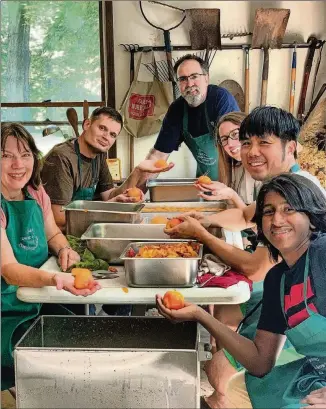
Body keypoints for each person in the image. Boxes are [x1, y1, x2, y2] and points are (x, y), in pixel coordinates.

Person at [165, 106, 325, 408]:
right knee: (228, 375)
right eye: (246, 141)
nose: (250, 151)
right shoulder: (277, 191)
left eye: (263, 142)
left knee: (222, 373)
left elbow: (254, 268)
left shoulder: (315, 236)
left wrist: (202, 234)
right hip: (308, 364)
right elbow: (242, 215)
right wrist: (206, 221)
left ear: (290, 147)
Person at [1, 123, 101, 392]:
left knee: (79, 336)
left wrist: (64, 249)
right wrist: (56, 278)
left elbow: (53, 234)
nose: (17, 164)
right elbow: (9, 270)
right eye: (6, 155)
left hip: (37, 300)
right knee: (45, 364)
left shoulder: (35, 193)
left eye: (24, 155)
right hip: (6, 311)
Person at [41, 106, 174, 232]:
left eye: (112, 135)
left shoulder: (98, 154)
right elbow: (59, 219)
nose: (106, 137)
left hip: (84, 227)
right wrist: (109, 205)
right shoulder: (61, 158)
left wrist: (138, 171)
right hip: (57, 236)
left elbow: (110, 196)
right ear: (87, 125)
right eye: (102, 128)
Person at [144, 55, 239, 181]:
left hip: (234, 180)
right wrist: (138, 189)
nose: (189, 84)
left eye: (194, 76)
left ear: (206, 78)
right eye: (183, 79)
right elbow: (158, 155)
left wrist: (232, 187)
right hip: (206, 183)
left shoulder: (220, 99)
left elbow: (235, 144)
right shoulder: (177, 109)